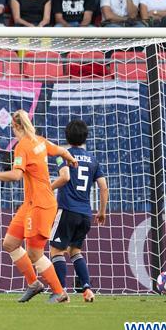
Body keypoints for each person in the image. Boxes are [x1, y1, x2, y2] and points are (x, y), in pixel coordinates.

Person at [0, 109, 77, 303]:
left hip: (41, 205)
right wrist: (72, 160)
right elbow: (62, 150)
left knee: (34, 253)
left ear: (15, 127)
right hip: (30, 204)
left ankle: (60, 292)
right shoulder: (40, 141)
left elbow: (16, 175)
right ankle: (33, 284)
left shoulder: (22, 146)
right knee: (10, 243)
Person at [48, 119, 108, 302]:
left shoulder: (62, 155)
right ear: (85, 137)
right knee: (75, 251)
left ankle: (61, 291)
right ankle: (87, 289)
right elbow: (104, 187)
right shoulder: (93, 160)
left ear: (66, 135)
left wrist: (47, 188)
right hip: (85, 214)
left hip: (67, 210)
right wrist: (102, 211)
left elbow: (64, 178)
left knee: (56, 251)